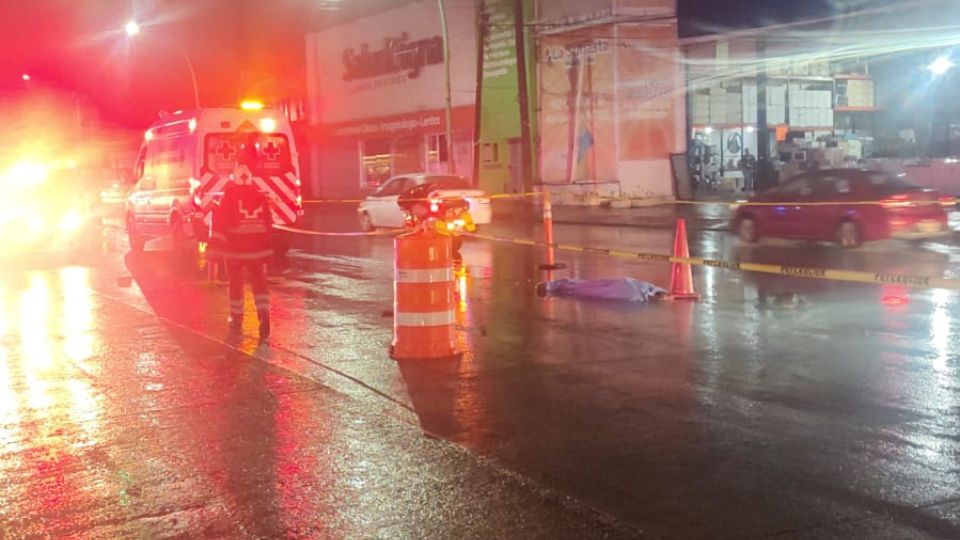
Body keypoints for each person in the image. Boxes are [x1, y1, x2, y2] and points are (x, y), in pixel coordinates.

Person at [209, 139, 274, 339]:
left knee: (235, 285)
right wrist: (268, 245)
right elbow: (268, 224)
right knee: (259, 284)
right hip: (257, 251)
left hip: (235, 251)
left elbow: (220, 223)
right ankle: (264, 316)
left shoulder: (228, 196)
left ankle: (237, 319)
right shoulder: (260, 197)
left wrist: (215, 245)